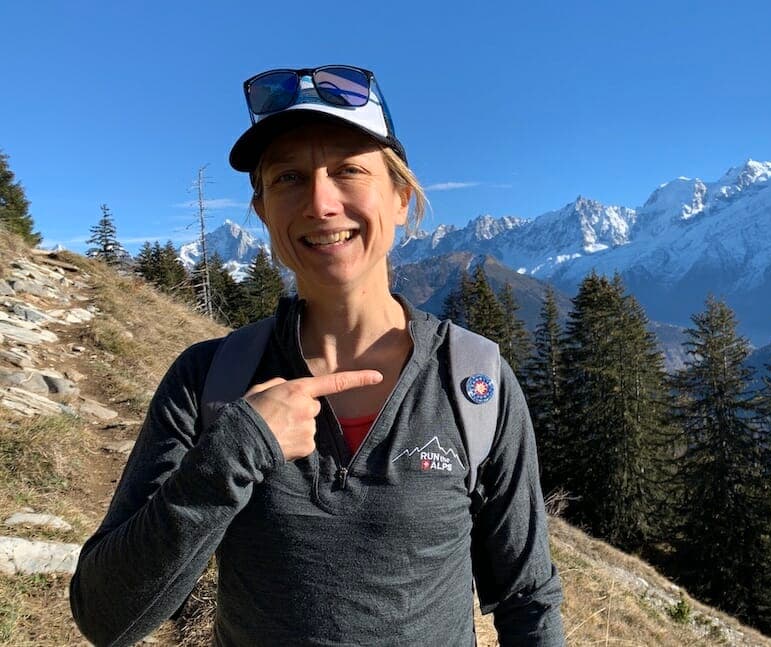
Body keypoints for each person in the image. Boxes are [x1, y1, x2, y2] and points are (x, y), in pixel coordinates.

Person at [70, 64, 565, 646]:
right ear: (263, 212)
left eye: (349, 170)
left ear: (401, 197)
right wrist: (236, 449)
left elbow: (528, 599)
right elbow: (106, 619)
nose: (321, 202)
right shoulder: (207, 380)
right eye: (288, 178)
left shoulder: (476, 382)